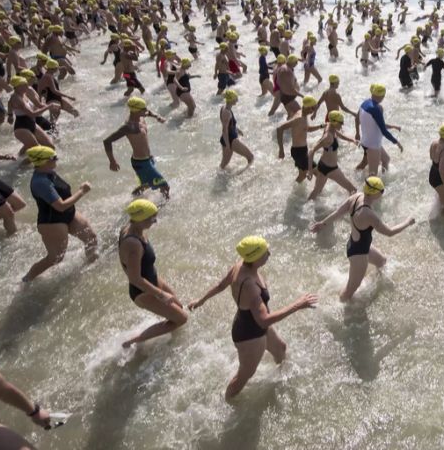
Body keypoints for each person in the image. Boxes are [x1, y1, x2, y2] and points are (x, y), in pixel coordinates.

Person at [187, 236, 318, 401]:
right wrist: (298, 305)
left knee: (281, 349)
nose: (269, 254)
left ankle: (283, 382)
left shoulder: (241, 264)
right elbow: (264, 320)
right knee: (243, 377)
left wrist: (200, 301)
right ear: (255, 258)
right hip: (250, 335)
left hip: (251, 324)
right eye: (265, 253)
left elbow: (221, 285)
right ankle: (225, 402)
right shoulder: (249, 285)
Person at [310, 177, 415, 301]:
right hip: (359, 254)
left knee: (382, 262)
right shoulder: (368, 214)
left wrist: (322, 223)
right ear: (375, 192)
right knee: (349, 292)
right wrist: (407, 223)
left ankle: (375, 288)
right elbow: (389, 232)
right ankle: (338, 306)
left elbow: (338, 213)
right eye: (382, 190)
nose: (382, 193)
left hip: (355, 245)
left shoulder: (356, 197)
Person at [118, 199, 188, 348]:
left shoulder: (133, 229)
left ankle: (165, 334)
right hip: (142, 291)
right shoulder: (132, 244)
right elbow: (134, 278)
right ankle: (132, 342)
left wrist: (157, 284)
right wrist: (160, 294)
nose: (155, 221)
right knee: (181, 319)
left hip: (153, 280)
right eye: (152, 218)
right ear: (140, 219)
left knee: (179, 308)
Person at [24, 145, 97, 282]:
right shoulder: (40, 182)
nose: (57, 159)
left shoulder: (49, 171)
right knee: (55, 258)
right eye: (54, 157)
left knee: (91, 238)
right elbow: (61, 206)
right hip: (52, 222)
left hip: (69, 214)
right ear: (43, 161)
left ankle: (91, 267)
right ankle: (27, 279)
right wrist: (82, 191)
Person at [103, 97, 170, 198]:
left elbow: (148, 112)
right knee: (165, 186)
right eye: (143, 109)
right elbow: (107, 141)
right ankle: (162, 210)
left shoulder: (140, 117)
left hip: (147, 159)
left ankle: (132, 198)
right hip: (142, 163)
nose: (146, 110)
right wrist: (112, 161)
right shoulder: (129, 127)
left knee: (146, 184)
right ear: (135, 111)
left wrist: (157, 116)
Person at [307, 110, 358, 200]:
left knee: (316, 192)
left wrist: (352, 140)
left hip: (322, 166)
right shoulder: (328, 136)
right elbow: (311, 151)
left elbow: (341, 136)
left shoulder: (331, 127)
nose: (342, 125)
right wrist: (310, 170)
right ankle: (352, 210)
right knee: (353, 190)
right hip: (331, 169)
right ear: (334, 122)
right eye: (340, 123)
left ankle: (304, 211)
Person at [357, 84, 403, 175]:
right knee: (373, 174)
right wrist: (397, 142)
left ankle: (383, 183)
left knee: (386, 160)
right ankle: (371, 187)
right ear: (382, 96)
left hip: (366, 141)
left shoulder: (364, 103)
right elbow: (384, 131)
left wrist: (393, 126)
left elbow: (373, 123)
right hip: (373, 145)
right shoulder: (376, 109)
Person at [276, 95, 320, 183]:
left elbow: (307, 129)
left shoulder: (303, 114)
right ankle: (318, 194)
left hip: (301, 150)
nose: (313, 112)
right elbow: (279, 129)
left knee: (302, 175)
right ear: (307, 107)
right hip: (299, 153)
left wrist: (321, 126)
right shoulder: (298, 118)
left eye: (314, 109)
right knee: (319, 173)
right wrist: (281, 149)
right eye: (312, 109)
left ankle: (294, 194)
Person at [219, 89, 254, 169]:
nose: (237, 100)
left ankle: (220, 180)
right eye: (235, 98)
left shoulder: (223, 108)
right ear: (231, 100)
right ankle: (245, 176)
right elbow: (224, 130)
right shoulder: (227, 113)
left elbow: (228, 126)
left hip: (226, 139)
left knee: (223, 165)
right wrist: (228, 145)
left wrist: (237, 130)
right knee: (251, 157)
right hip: (231, 140)